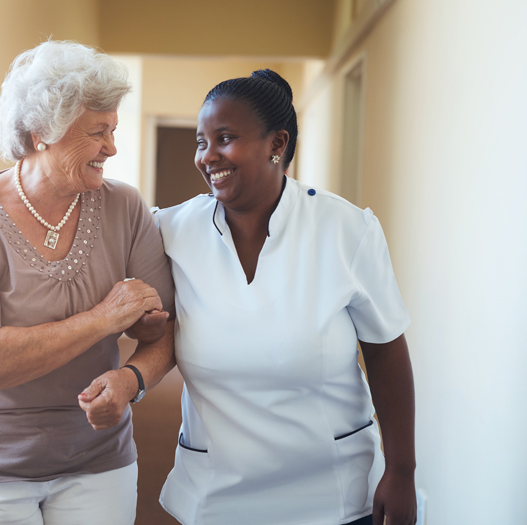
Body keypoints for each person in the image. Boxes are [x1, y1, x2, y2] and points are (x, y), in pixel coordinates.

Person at [0, 40, 175, 525]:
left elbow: (162, 332)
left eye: (114, 130)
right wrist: (104, 319)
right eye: (98, 132)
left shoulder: (125, 207)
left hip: (97, 457)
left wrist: (132, 378)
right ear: (42, 132)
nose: (112, 148)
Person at [152, 70, 417, 525]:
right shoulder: (170, 231)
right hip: (215, 494)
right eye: (201, 141)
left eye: (225, 138)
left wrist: (402, 471)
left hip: (330, 495)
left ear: (277, 144)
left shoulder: (345, 230)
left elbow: (386, 353)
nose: (207, 156)